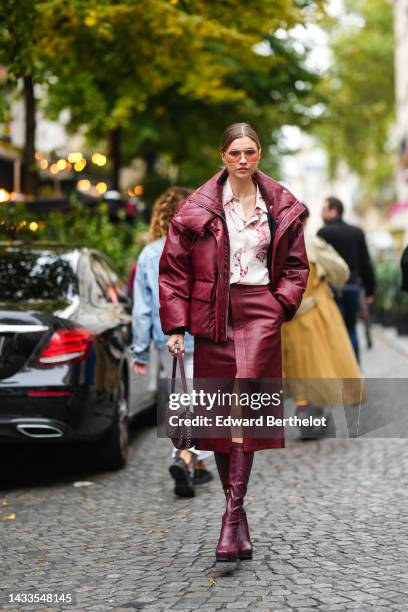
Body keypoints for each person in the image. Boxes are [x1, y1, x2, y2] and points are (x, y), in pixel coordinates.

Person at [159, 123, 309, 562]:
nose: (243, 159)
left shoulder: (280, 205)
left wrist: (280, 303)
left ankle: (229, 518)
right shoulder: (197, 209)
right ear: (222, 156)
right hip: (214, 317)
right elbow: (174, 272)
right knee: (221, 420)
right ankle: (238, 518)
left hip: (261, 310)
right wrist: (176, 327)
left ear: (259, 153)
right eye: (234, 153)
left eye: (250, 151)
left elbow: (297, 266)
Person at [130, 187, 213, 498]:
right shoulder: (202, 248)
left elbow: (141, 310)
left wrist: (139, 351)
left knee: (181, 399)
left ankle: (197, 464)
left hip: (166, 339)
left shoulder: (149, 253)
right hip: (201, 336)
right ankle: (186, 456)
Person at [282, 205, 367, 438]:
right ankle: (314, 413)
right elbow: (341, 271)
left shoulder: (271, 246)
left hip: (287, 317)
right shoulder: (313, 244)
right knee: (321, 363)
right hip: (316, 312)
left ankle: (306, 411)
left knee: (297, 367)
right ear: (305, 222)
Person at [318, 196, 376, 362]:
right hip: (353, 288)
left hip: (331, 290)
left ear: (334, 211)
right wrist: (370, 292)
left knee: (333, 333)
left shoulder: (323, 233)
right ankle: (354, 370)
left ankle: (337, 371)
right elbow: (366, 263)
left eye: (324, 210)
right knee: (351, 329)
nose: (321, 214)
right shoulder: (357, 231)